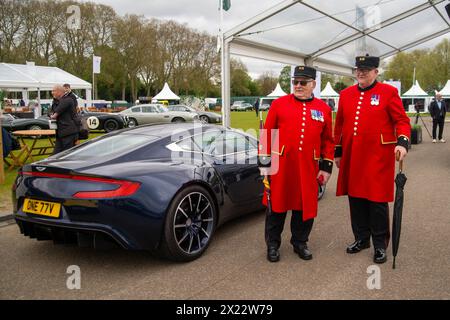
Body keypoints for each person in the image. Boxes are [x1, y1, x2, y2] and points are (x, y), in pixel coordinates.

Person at [334, 54, 411, 264]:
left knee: (376, 202)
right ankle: (361, 239)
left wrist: (402, 143)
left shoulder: (388, 92)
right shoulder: (346, 94)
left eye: (366, 70)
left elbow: (402, 121)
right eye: (358, 70)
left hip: (378, 157)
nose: (360, 73)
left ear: (376, 72)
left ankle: (379, 245)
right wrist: (338, 151)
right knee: (356, 200)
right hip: (353, 156)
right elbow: (339, 125)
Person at [258, 66, 335, 262]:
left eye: (303, 82)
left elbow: (328, 140)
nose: (298, 86)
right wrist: (264, 167)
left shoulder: (323, 109)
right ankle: (273, 244)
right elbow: (267, 135)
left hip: (308, 168)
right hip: (281, 167)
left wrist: (326, 168)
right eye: (295, 82)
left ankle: (300, 242)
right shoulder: (279, 104)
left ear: (313, 85)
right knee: (276, 207)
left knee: (305, 208)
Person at [50, 85, 79, 154]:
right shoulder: (56, 102)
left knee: (67, 154)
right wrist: (52, 114)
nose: (52, 92)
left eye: (54, 91)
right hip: (60, 133)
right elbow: (51, 112)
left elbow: (56, 112)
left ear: (59, 92)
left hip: (68, 132)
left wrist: (54, 115)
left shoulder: (68, 99)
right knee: (56, 154)